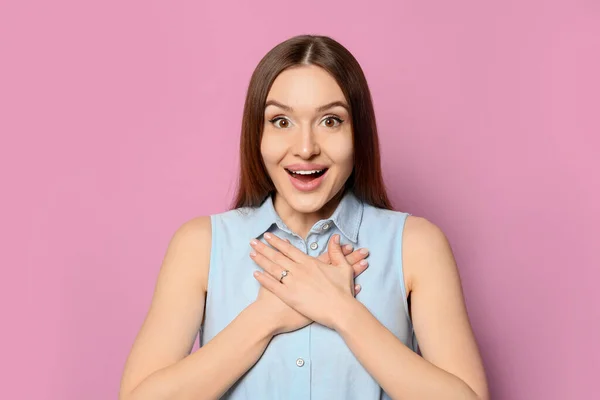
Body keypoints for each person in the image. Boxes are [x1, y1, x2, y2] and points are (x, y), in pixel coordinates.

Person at [119, 34, 489, 400]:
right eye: (282, 121)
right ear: (257, 134)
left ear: (357, 133)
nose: (306, 148)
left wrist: (340, 309)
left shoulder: (416, 245)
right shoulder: (201, 244)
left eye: (330, 121)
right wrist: (266, 317)